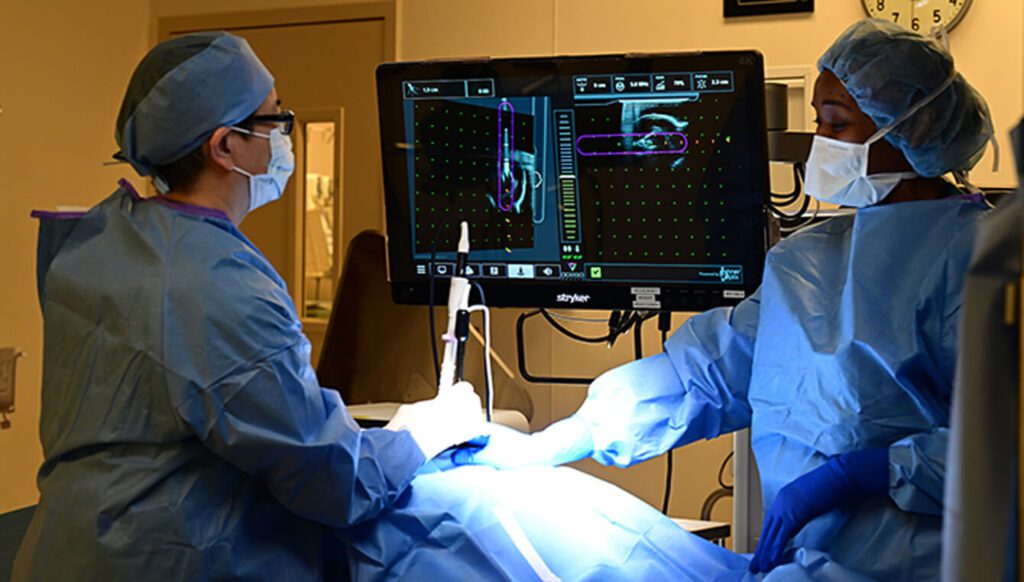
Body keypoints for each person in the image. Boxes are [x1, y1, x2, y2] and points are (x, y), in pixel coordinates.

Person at [454, 18, 996, 580]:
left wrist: (866, 473)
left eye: (838, 124)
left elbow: (1006, 445)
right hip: (798, 564)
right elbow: (710, 371)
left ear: (919, 124)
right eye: (818, 122)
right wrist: (572, 434)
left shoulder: (983, 260)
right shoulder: (809, 261)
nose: (821, 144)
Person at [14, 31, 485, 581]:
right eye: (274, 121)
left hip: (67, 552)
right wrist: (422, 434)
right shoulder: (215, 282)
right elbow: (331, 482)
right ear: (224, 147)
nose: (284, 140)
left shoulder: (107, 242)